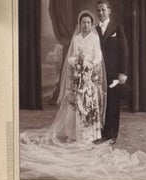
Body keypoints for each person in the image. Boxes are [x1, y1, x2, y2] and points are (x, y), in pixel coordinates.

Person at [47, 9, 106, 147]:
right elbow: (71, 56)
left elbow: (98, 56)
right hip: (78, 74)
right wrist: (76, 61)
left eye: (88, 23)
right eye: (83, 22)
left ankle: (89, 134)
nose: (86, 25)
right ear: (79, 24)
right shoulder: (77, 39)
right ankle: (75, 133)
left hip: (89, 74)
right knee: (76, 104)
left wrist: (89, 64)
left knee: (88, 103)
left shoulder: (94, 38)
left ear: (92, 24)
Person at [96, 2, 129, 145]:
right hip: (98, 73)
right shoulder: (94, 29)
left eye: (103, 10)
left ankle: (112, 134)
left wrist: (123, 72)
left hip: (114, 73)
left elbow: (124, 50)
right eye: (98, 10)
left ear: (109, 11)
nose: (101, 13)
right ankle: (100, 131)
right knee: (99, 103)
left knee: (113, 103)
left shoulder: (117, 27)